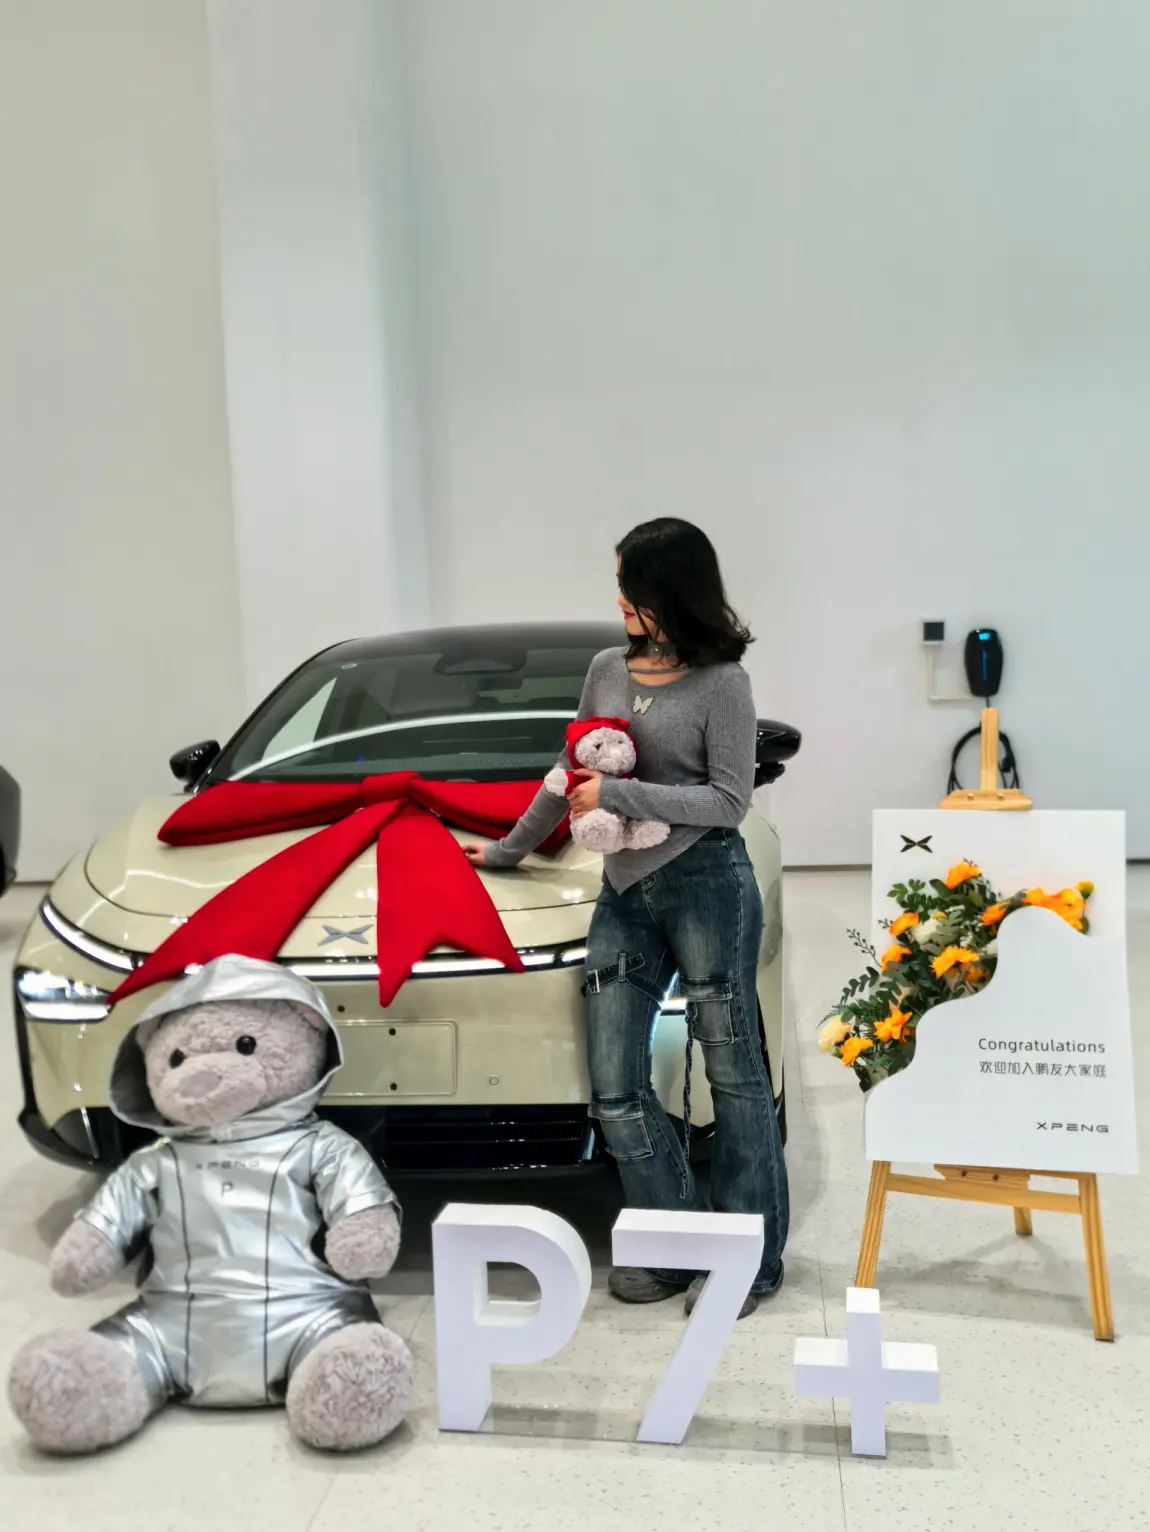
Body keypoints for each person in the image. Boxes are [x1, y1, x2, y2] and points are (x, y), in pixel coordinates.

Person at [463, 518, 788, 1317]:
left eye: (630, 587)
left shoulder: (724, 684)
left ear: (672, 591)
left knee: (735, 1075)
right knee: (614, 1085)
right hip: (624, 892)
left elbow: (728, 801)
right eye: (618, 585)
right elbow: (568, 769)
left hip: (707, 884)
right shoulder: (606, 669)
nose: (619, 601)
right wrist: (509, 849)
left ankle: (750, 1260)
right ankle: (675, 1246)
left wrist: (618, 794)